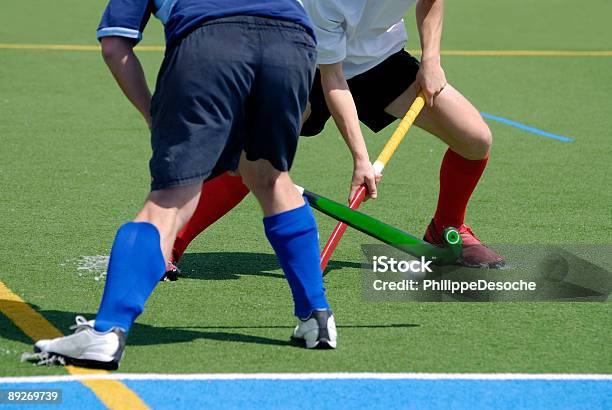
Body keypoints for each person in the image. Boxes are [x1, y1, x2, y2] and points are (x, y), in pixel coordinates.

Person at [31, 0, 337, 370]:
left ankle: (106, 332)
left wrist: (153, 115)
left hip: (210, 41)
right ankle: (316, 318)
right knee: (272, 180)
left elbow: (115, 45)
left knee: (169, 200)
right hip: (293, 42)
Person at [169, 0, 505, 269]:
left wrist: (431, 59)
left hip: (381, 61)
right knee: (256, 155)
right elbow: (334, 81)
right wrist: (361, 159)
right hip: (309, 65)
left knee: (474, 139)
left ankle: (447, 229)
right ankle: (169, 245)